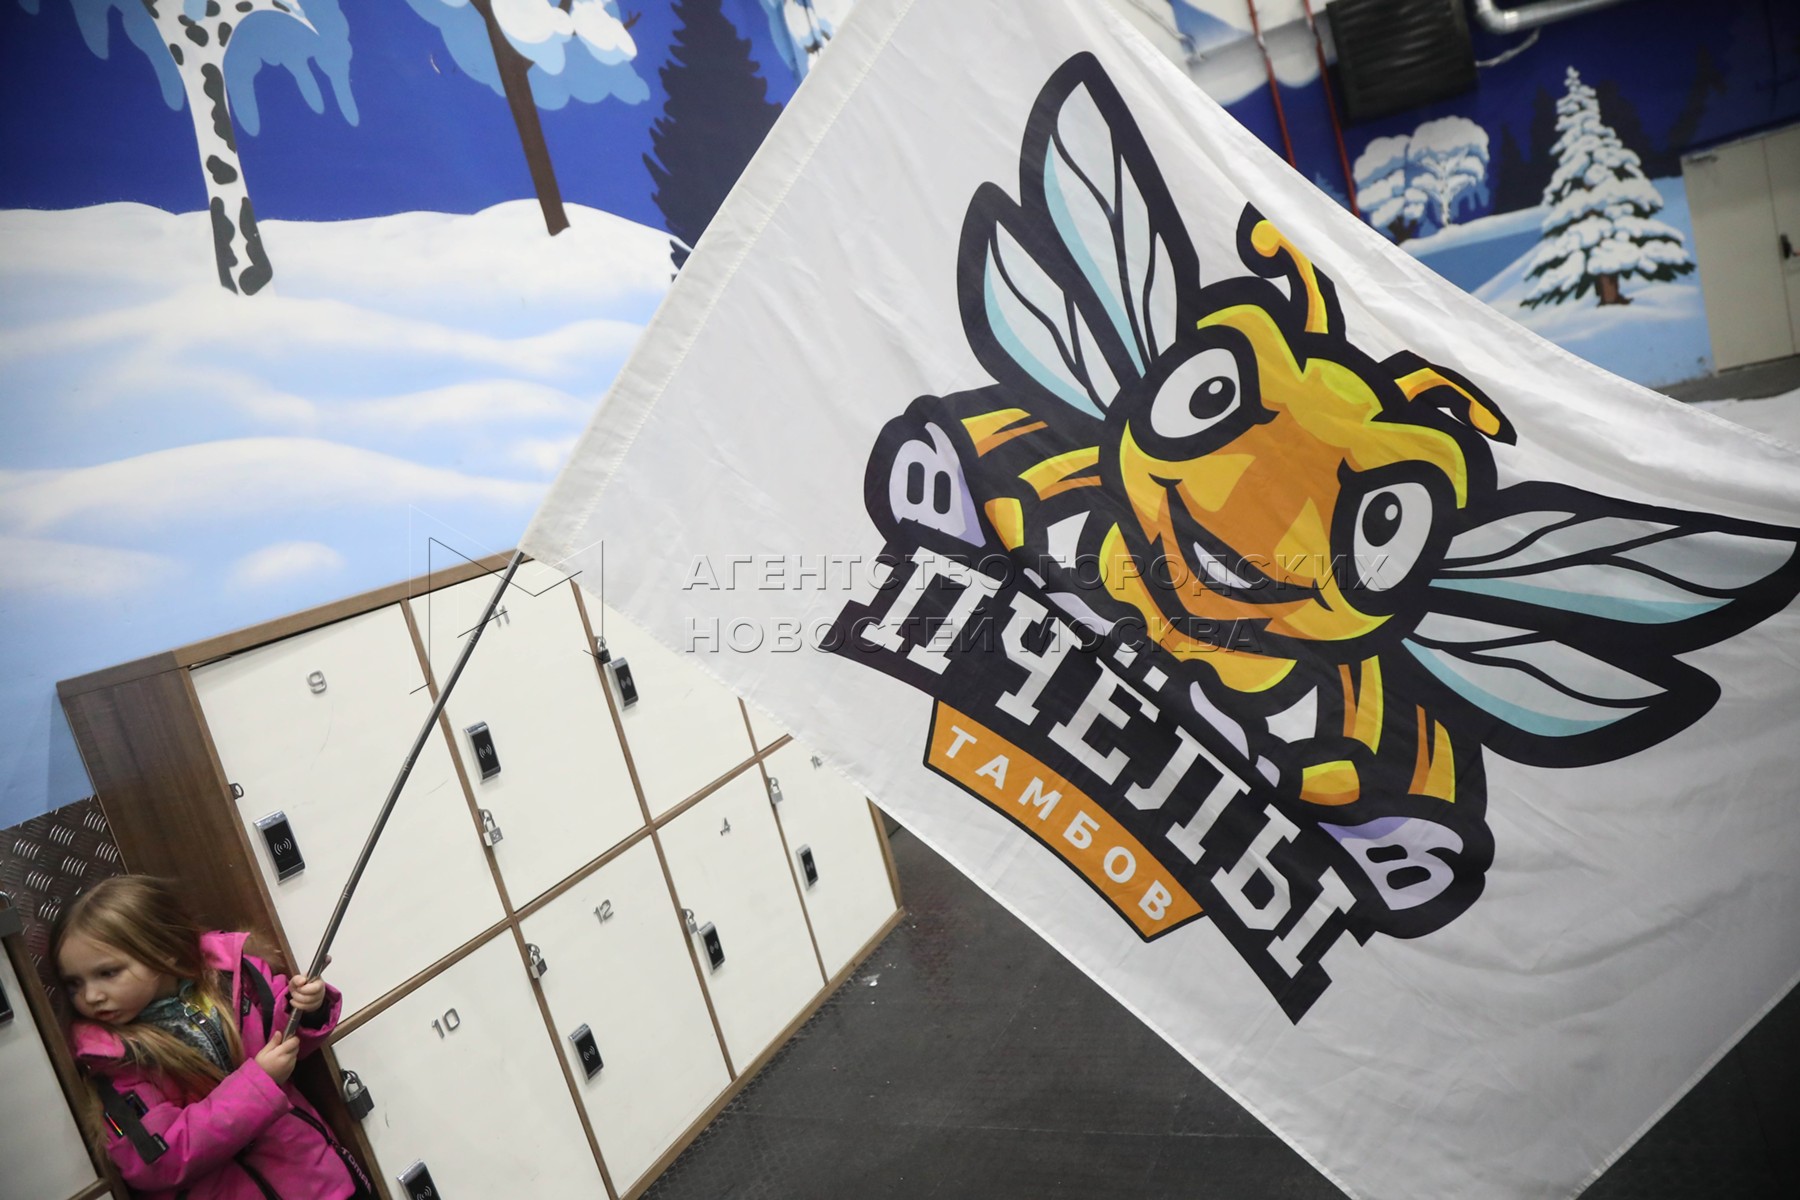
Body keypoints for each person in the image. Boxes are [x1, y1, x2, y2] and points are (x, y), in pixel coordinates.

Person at [52, 875, 373, 1199]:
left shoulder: (229, 980)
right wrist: (259, 1084)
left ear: (165, 951)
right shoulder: (114, 1061)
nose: (91, 996)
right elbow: (158, 1160)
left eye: (107, 973)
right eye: (74, 984)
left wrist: (306, 1007)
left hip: (320, 1179)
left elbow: (284, 1040)